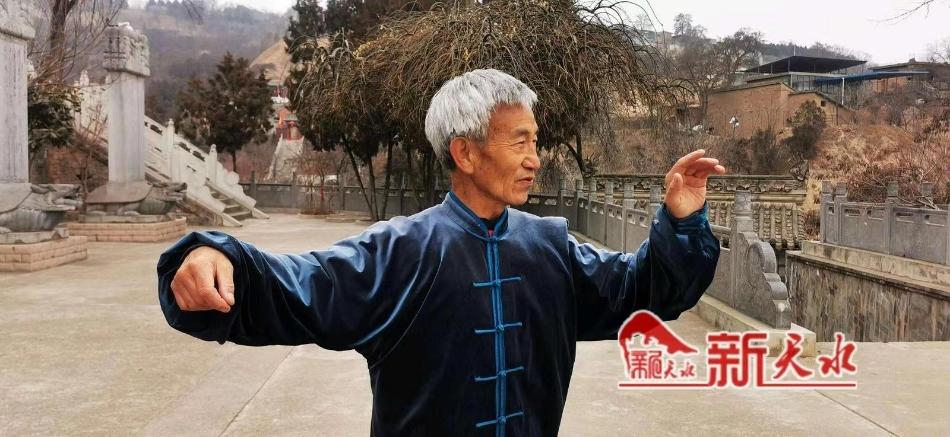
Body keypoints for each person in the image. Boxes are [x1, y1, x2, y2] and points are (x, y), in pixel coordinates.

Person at [157, 69, 724, 436]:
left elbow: (642, 290)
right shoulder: (400, 253)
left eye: (535, 140)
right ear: (466, 153)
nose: (535, 158)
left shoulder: (550, 248)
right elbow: (298, 285)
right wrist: (216, 255)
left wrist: (681, 221)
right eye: (519, 141)